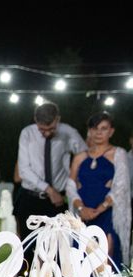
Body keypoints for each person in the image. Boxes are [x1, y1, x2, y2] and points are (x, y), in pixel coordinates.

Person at [14, 102, 86, 242]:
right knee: (28, 249)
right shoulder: (27, 133)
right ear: (35, 121)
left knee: (59, 248)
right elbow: (24, 170)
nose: (46, 133)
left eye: (51, 129)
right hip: (31, 198)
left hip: (58, 202)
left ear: (57, 119)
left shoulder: (69, 133)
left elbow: (85, 157)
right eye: (42, 130)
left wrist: (76, 179)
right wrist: (50, 190)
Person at [66, 112, 130, 267]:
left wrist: (100, 209)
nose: (99, 133)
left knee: (106, 257)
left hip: (107, 210)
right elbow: (70, 185)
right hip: (82, 210)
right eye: (95, 128)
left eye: (104, 128)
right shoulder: (80, 157)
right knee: (81, 254)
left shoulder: (118, 154)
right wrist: (81, 208)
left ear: (111, 131)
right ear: (89, 131)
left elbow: (121, 186)